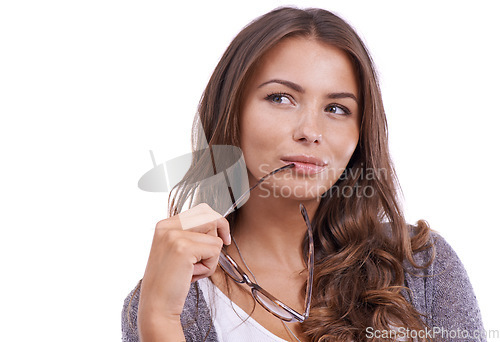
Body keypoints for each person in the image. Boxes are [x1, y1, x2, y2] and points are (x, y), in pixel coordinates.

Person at [122, 6, 485, 342]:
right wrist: (158, 318)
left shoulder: (421, 265)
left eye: (337, 108)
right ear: (230, 111)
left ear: (361, 133)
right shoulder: (177, 295)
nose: (311, 131)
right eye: (281, 98)